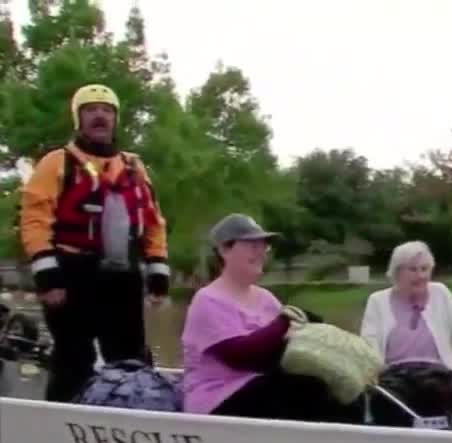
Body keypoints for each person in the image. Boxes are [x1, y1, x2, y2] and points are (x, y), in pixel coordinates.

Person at [19, 83, 170, 402]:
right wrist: (48, 275)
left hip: (122, 273)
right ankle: (62, 423)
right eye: (90, 110)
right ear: (79, 119)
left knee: (131, 357)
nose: (99, 116)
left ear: (115, 119)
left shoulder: (133, 166)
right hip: (72, 272)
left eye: (106, 111)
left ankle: (129, 417)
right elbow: (35, 219)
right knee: (73, 357)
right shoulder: (56, 162)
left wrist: (158, 268)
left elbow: (153, 221)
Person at [180, 213, 362, 423]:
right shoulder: (208, 300)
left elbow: (284, 346)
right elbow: (241, 356)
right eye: (252, 245)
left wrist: (312, 330)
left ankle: (366, 437)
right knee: (303, 390)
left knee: (337, 386)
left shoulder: (265, 298)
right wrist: (284, 323)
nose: (261, 253)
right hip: (217, 400)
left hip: (258, 387)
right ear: (224, 249)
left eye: (263, 246)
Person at [359, 240, 452, 408]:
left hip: (440, 382)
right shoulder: (377, 301)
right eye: (413, 270)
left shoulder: (441, 294)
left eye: (424, 269)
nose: (420, 276)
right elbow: (369, 349)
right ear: (396, 272)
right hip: (395, 384)